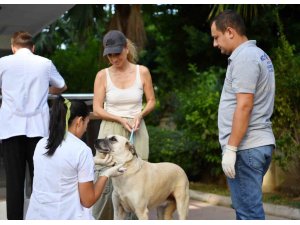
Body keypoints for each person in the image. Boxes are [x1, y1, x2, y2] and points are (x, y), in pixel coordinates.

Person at [210, 10, 276, 220]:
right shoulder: (258, 54)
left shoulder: (245, 57)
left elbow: (245, 105)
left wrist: (231, 148)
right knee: (246, 212)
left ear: (229, 31)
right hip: (255, 145)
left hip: (246, 148)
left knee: (249, 215)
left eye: (216, 37)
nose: (215, 44)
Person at [0, 31, 67, 220]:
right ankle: (42, 220)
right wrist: (45, 90)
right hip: (38, 129)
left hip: (11, 128)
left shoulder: (3, 63)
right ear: (33, 47)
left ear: (13, 47)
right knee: (41, 180)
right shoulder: (44, 63)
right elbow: (61, 85)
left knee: (14, 183)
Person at [25, 96, 125, 219]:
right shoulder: (81, 150)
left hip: (36, 216)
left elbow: (60, 168)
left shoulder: (42, 144)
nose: (86, 128)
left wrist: (92, 161)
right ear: (79, 121)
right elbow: (88, 200)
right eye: (87, 123)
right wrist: (106, 174)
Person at [92, 30, 156, 219]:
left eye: (117, 53)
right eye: (109, 55)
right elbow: (97, 108)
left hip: (135, 131)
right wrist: (120, 119)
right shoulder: (102, 75)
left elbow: (152, 100)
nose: (113, 58)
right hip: (110, 132)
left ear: (126, 49)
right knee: (106, 181)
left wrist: (140, 114)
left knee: (136, 181)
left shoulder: (142, 72)